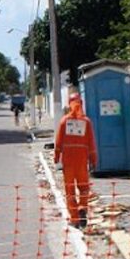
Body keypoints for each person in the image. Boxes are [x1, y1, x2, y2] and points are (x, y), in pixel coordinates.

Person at [54, 93, 98, 228]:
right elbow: (91, 143)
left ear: (69, 104)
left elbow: (58, 141)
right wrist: (93, 160)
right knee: (84, 187)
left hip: (68, 163)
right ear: (81, 103)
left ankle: (74, 219)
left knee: (70, 190)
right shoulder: (86, 122)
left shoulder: (64, 121)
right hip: (81, 161)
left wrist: (56, 157)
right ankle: (82, 208)